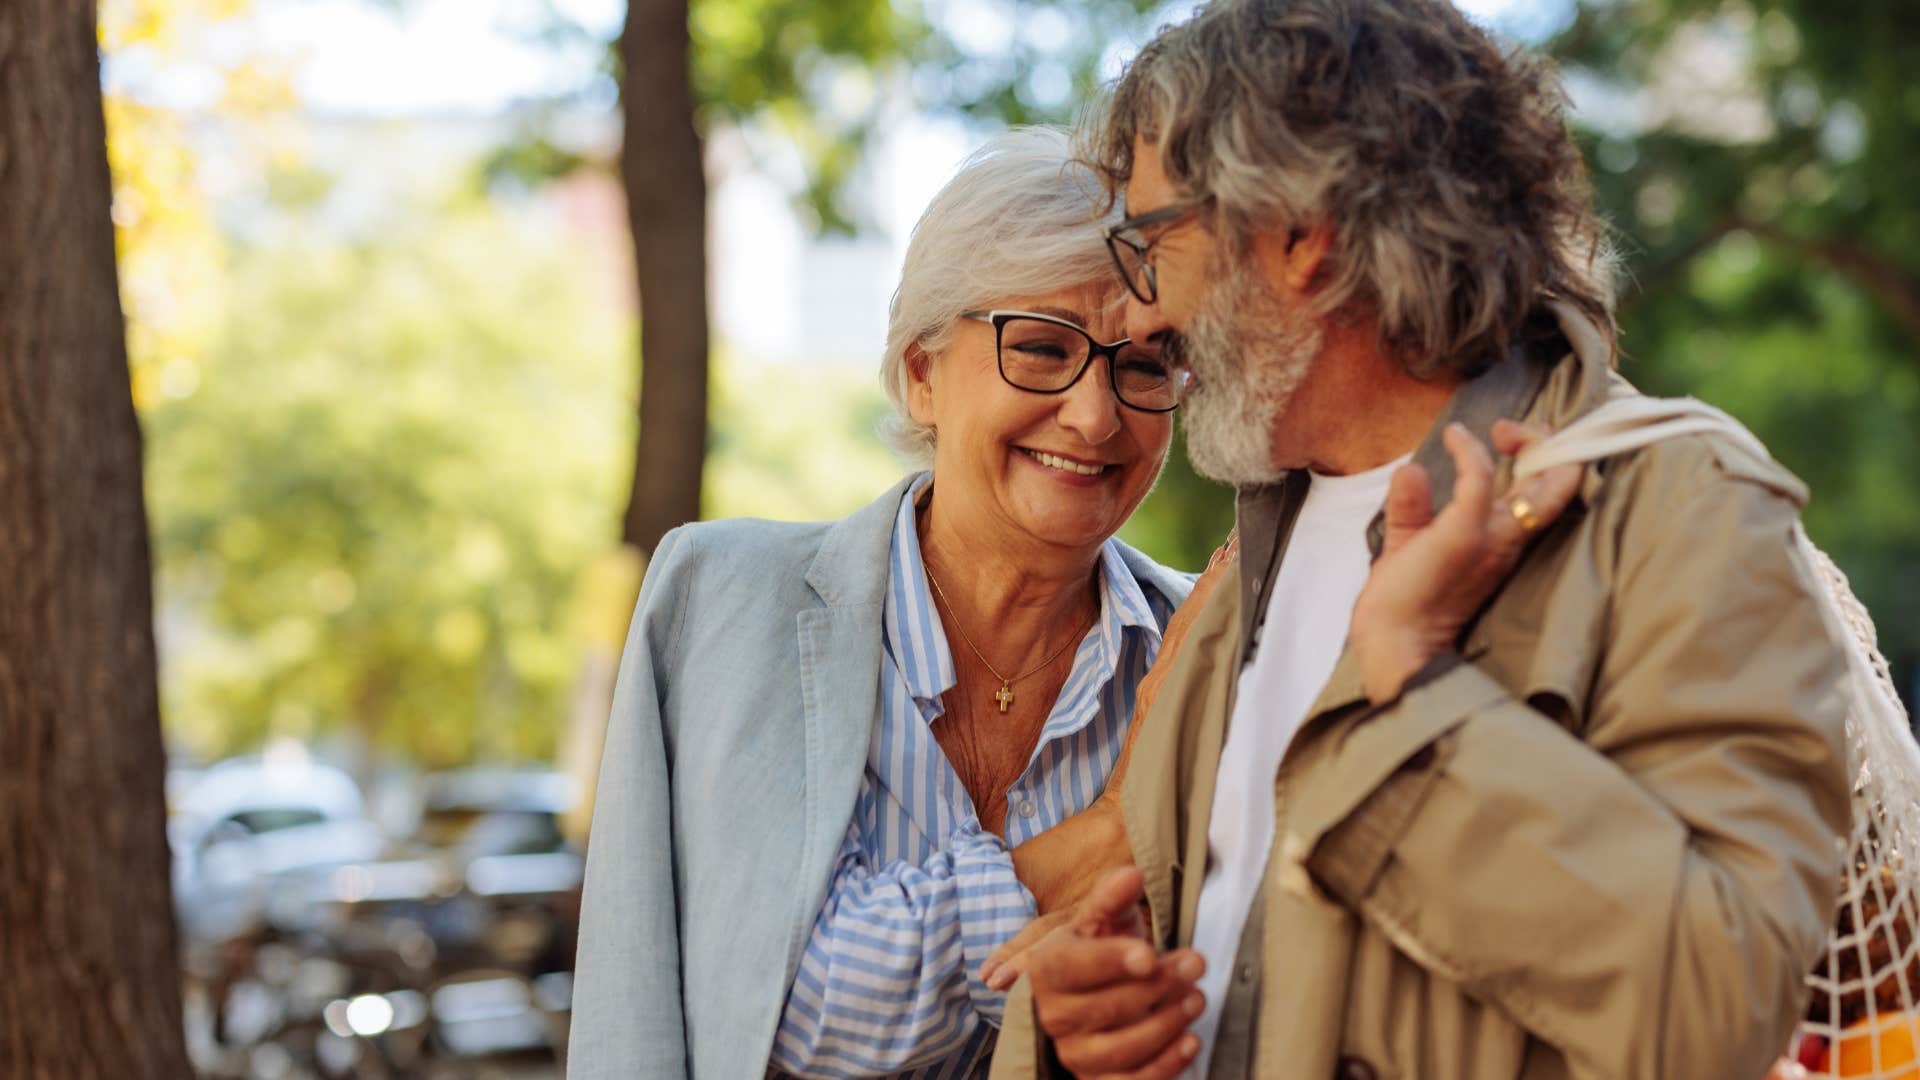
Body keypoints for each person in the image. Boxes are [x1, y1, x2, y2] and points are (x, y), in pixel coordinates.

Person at [989, 2, 1853, 1078]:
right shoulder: (1253, 545)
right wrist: (1076, 1040)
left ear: (1300, 237)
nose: (1136, 309)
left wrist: (1416, 686)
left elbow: (1720, 1011)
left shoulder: (1683, 507)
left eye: (1152, 240)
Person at [568, 127, 1203, 1079]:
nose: (1095, 414)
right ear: (921, 371)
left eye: (1147, 362)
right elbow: (778, 1007)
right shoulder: (721, 604)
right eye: (1040, 347)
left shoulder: (1209, 650)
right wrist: (1109, 830)